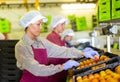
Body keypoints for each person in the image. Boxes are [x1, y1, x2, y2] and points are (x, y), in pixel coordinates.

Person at [15, 10, 99, 82]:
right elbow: (37, 70)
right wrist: (62, 66)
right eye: (38, 24)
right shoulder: (21, 46)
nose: (41, 28)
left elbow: (61, 50)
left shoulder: (42, 42)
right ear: (28, 25)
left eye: (41, 24)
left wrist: (82, 53)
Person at [47, 15, 70, 82]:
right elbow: (55, 57)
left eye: (64, 24)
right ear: (55, 24)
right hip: (56, 73)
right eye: (62, 24)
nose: (64, 27)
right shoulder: (51, 37)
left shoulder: (59, 37)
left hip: (61, 70)